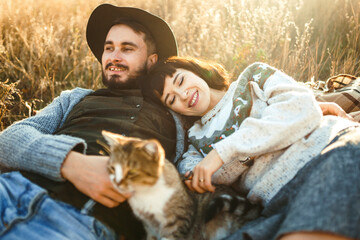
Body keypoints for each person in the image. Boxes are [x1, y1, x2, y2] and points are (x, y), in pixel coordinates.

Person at [0, 4, 186, 240]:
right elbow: (6, 141)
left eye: (127, 49)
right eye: (109, 48)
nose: (113, 57)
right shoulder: (75, 97)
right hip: (10, 188)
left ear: (152, 61)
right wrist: (70, 163)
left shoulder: (174, 113)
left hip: (77, 224)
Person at [143, 56, 360, 240]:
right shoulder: (195, 144)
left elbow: (301, 108)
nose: (183, 95)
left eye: (181, 81)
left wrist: (221, 154)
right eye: (171, 99)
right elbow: (198, 178)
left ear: (195, 69)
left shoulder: (254, 77)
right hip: (276, 200)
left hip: (327, 150)